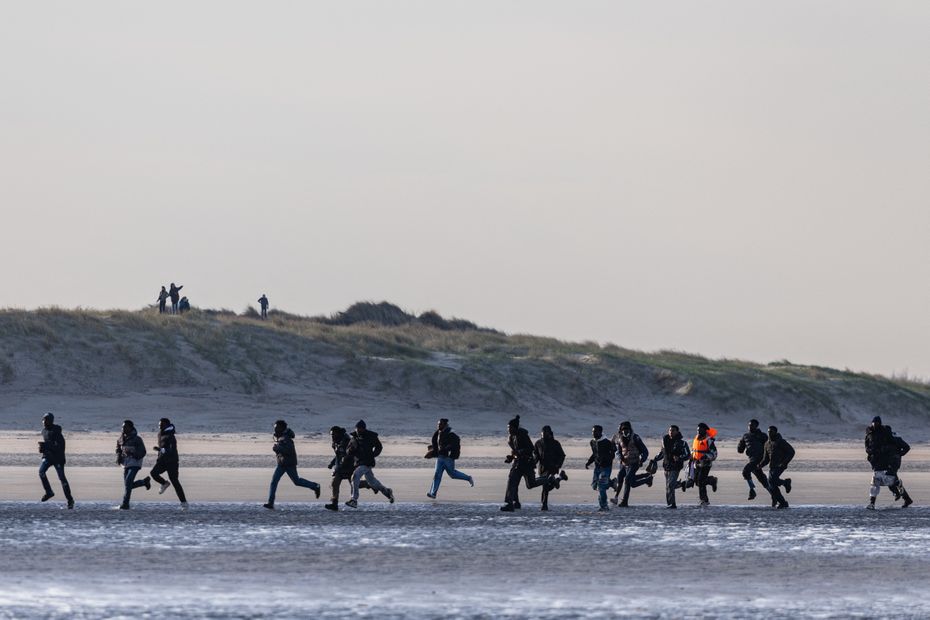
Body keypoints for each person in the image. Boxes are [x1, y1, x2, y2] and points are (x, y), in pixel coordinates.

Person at [263, 420, 321, 509]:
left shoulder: (286, 438)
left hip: (289, 464)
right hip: (282, 464)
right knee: (274, 482)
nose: (275, 430)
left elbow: (288, 451)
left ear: (282, 428)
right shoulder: (282, 437)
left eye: (277, 428)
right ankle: (270, 503)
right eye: (275, 428)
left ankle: (315, 486)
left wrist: (277, 449)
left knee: (296, 481)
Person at [500, 415, 550, 512]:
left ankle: (547, 479)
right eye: (507, 427)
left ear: (515, 427)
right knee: (512, 481)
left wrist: (518, 453)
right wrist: (511, 458)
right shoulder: (510, 438)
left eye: (510, 427)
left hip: (527, 463)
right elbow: (515, 452)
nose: (508, 429)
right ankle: (512, 503)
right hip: (518, 463)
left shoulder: (522, 435)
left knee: (531, 484)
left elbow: (530, 448)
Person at [865, 417, 914, 509]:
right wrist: (870, 454)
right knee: (877, 481)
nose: (875, 425)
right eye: (874, 423)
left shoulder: (890, 436)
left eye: (877, 423)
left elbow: (906, 447)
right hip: (878, 461)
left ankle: (901, 496)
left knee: (891, 480)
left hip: (891, 461)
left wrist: (899, 454)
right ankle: (872, 503)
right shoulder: (869, 434)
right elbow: (867, 447)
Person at [346, 420, 394, 507]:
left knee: (355, 476)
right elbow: (348, 451)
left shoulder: (371, 436)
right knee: (372, 483)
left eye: (360, 428)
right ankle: (387, 492)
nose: (359, 430)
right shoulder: (354, 438)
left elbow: (379, 446)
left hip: (367, 462)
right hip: (358, 462)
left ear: (364, 429)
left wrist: (373, 454)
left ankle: (354, 499)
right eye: (357, 428)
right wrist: (351, 449)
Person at [425, 418, 474, 499]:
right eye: (438, 424)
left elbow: (456, 443)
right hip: (440, 458)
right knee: (437, 475)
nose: (438, 425)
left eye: (440, 424)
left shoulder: (451, 433)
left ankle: (468, 478)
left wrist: (449, 449)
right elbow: (436, 444)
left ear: (445, 425)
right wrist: (433, 452)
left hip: (448, 458)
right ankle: (433, 493)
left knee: (452, 474)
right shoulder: (437, 433)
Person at [609, 421, 652, 507]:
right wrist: (621, 459)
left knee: (629, 481)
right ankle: (616, 498)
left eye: (627, 429)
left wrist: (641, 460)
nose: (625, 431)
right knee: (620, 477)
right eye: (623, 429)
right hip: (624, 463)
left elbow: (645, 451)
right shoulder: (618, 438)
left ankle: (625, 501)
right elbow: (618, 451)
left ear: (630, 429)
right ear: (621, 430)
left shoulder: (636, 437)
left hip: (634, 462)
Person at [149, 418, 188, 509]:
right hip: (162, 460)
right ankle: (164, 483)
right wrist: (159, 456)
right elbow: (161, 448)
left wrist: (160, 450)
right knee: (153, 473)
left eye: (161, 425)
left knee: (175, 482)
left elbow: (171, 449)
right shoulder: (159, 434)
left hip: (172, 461)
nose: (160, 427)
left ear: (167, 425)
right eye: (159, 425)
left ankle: (184, 503)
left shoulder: (171, 435)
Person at [38, 412, 74, 509]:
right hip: (48, 457)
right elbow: (47, 444)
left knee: (62, 478)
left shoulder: (56, 431)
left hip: (58, 458)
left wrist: (46, 446)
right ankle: (49, 492)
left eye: (46, 420)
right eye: (43, 420)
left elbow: (60, 446)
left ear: (50, 421)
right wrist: (42, 450)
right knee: (41, 472)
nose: (43, 422)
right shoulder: (43, 431)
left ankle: (70, 500)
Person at [649, 425, 689, 509]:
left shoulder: (682, 443)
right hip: (666, 466)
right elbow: (662, 453)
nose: (671, 432)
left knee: (670, 485)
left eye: (673, 430)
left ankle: (672, 504)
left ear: (677, 432)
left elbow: (688, 455)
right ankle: (670, 502)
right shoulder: (664, 441)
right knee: (668, 486)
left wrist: (679, 458)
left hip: (676, 466)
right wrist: (655, 459)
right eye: (670, 430)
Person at [116, 420, 150, 510]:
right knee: (128, 485)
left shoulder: (137, 439)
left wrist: (133, 454)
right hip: (125, 464)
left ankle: (125, 504)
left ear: (131, 428)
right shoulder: (120, 438)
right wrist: (118, 457)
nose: (123, 428)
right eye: (122, 427)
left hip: (135, 463)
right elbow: (118, 449)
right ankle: (144, 482)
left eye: (125, 427)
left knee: (128, 483)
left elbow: (143, 451)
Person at [534, 425, 568, 511]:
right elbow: (536, 456)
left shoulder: (555, 443)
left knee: (545, 486)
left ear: (549, 433)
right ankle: (560, 478)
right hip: (542, 468)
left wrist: (558, 465)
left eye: (546, 432)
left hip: (552, 468)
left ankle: (544, 505)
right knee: (547, 486)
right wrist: (533, 464)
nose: (544, 434)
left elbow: (562, 455)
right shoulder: (538, 443)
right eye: (542, 433)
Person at [759, 425, 794, 509]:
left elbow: (791, 451)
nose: (769, 433)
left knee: (772, 480)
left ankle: (786, 483)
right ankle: (783, 502)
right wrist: (760, 465)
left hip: (780, 465)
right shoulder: (767, 444)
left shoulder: (781, 442)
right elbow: (766, 459)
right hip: (772, 466)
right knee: (771, 486)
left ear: (775, 432)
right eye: (768, 432)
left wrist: (785, 462)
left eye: (771, 431)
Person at [684, 423, 718, 506]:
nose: (698, 431)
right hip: (696, 463)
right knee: (697, 481)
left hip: (705, 464)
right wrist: (691, 458)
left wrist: (706, 457)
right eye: (697, 430)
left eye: (700, 430)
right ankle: (712, 480)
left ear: (705, 430)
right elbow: (694, 450)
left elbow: (715, 454)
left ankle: (704, 500)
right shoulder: (696, 439)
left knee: (700, 481)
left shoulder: (709, 440)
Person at [737, 419, 770, 500]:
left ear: (756, 426)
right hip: (752, 459)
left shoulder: (763, 436)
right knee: (762, 479)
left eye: (752, 425)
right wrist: (740, 445)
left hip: (760, 459)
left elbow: (769, 447)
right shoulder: (745, 436)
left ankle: (752, 490)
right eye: (749, 425)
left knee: (745, 471)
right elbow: (740, 450)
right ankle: (774, 495)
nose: (750, 427)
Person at [585, 425, 614, 511]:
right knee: (595, 486)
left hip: (606, 467)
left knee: (601, 486)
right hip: (597, 467)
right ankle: (611, 483)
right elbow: (594, 454)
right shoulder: (592, 442)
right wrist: (589, 462)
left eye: (595, 432)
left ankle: (604, 506)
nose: (593, 433)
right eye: (592, 431)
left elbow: (613, 454)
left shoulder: (607, 442)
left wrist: (606, 459)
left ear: (600, 432)